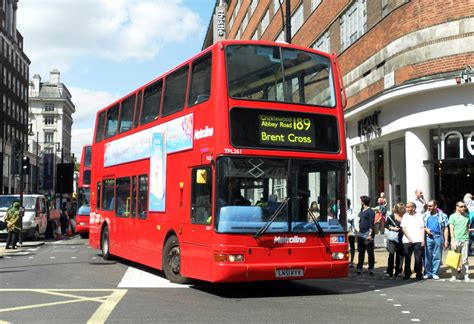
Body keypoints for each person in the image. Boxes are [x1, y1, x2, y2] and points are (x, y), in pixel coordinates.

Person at [423, 200, 449, 280]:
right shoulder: (425, 215)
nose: (429, 208)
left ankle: (435, 272)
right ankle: (428, 272)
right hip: (428, 237)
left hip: (438, 236)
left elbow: (446, 228)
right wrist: (426, 229)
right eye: (428, 206)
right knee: (427, 255)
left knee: (437, 255)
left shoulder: (442, 216)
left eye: (430, 206)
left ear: (435, 206)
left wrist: (446, 240)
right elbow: (421, 226)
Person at [448, 201, 473, 282]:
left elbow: (467, 227)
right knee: (454, 258)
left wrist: (470, 230)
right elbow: (451, 229)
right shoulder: (452, 216)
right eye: (461, 206)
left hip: (465, 240)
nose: (463, 208)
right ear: (457, 207)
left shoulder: (467, 216)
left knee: (465, 259)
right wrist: (452, 240)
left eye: (464, 206)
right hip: (456, 240)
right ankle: (454, 275)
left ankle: (465, 275)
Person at [401, 202, 425, 280]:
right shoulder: (405, 216)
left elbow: (422, 228)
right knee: (407, 258)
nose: (407, 209)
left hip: (418, 239)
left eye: (408, 207)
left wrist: (423, 239)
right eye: (406, 207)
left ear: (413, 208)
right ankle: (407, 274)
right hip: (407, 240)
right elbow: (403, 228)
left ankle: (418, 273)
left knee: (418, 258)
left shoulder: (420, 216)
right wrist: (409, 238)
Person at [385, 203, 405, 278]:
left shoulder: (404, 217)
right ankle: (389, 271)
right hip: (393, 238)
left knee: (400, 255)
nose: (404, 210)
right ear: (398, 210)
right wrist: (393, 228)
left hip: (401, 237)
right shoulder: (392, 216)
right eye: (402, 209)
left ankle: (398, 271)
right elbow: (386, 225)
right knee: (391, 253)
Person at [356, 195, 375, 275]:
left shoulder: (370, 211)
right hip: (361, 233)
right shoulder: (362, 210)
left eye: (361, 201)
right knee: (361, 252)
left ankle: (371, 268)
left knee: (370, 252)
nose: (360, 202)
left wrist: (370, 234)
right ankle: (359, 267)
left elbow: (371, 224)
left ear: (363, 202)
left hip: (367, 233)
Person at [346, 199, 357, 268]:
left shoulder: (352, 210)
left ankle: (351, 261)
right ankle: (346, 259)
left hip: (350, 230)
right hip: (343, 230)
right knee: (345, 246)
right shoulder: (340, 210)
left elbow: (351, 218)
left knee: (352, 245)